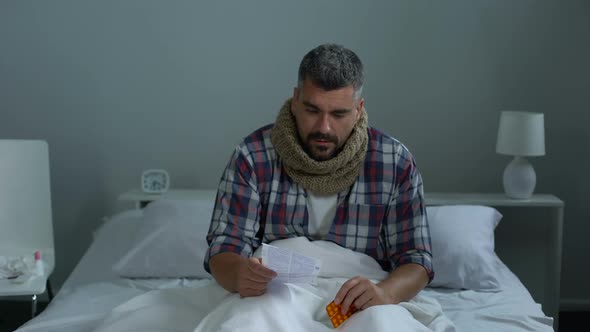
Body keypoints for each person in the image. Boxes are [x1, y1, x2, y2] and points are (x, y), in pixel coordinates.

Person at [204, 43, 433, 316]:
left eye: (338, 114)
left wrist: (385, 293)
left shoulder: (395, 162)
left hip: (363, 298)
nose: (324, 127)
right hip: (270, 296)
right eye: (312, 110)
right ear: (295, 100)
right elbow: (225, 247)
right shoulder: (252, 156)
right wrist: (241, 273)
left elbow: (416, 259)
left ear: (358, 109)